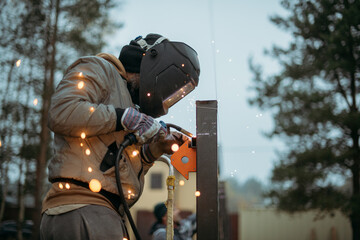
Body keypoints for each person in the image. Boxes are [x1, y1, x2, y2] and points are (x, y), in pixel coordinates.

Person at [40, 34, 200, 239]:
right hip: (83, 209)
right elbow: (62, 111)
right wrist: (125, 117)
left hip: (104, 212)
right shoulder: (99, 68)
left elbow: (115, 164)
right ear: (151, 64)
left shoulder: (126, 99)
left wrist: (154, 151)